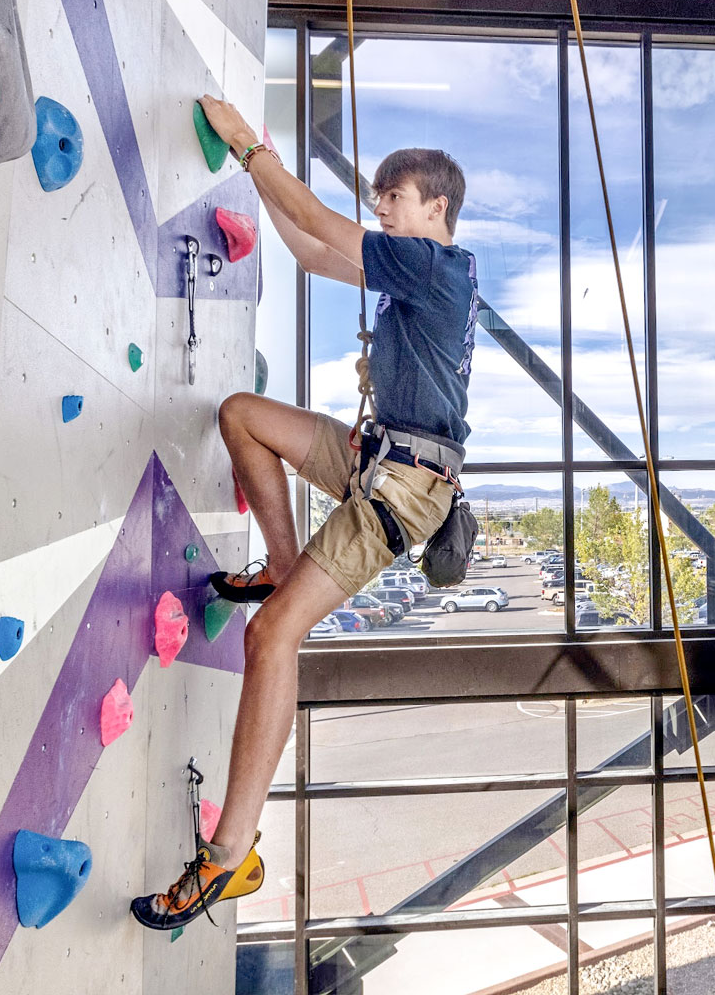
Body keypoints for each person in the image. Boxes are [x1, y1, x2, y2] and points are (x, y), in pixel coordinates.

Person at [131, 95, 477, 930]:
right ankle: (282, 565)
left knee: (270, 637)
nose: (382, 209)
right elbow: (314, 249)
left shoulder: (436, 267)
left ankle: (228, 859)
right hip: (377, 455)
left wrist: (253, 151)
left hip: (405, 488)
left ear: (436, 207)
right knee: (244, 415)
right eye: (382, 200)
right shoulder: (410, 272)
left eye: (394, 198)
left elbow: (319, 217)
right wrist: (260, 182)